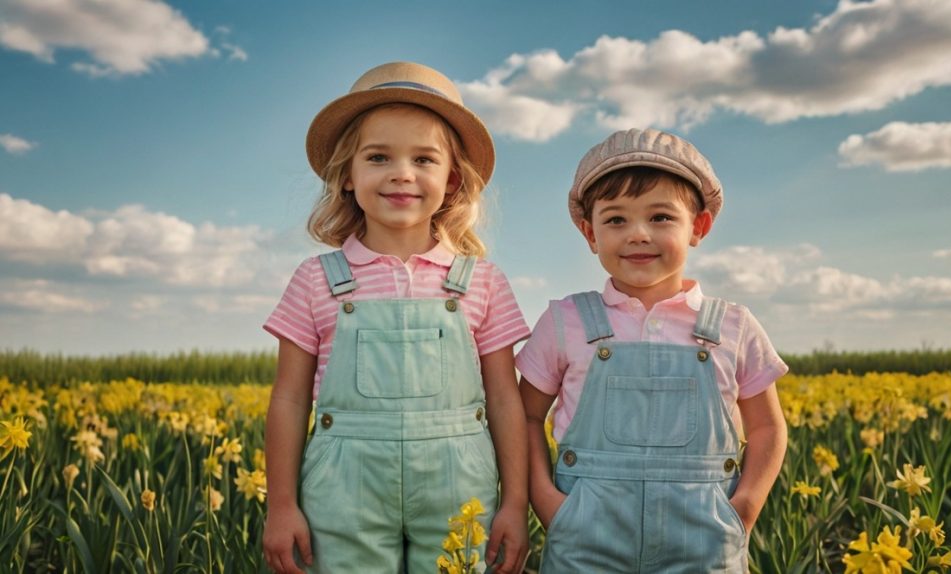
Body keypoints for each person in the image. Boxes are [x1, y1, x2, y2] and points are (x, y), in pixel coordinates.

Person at [262, 62, 530, 574]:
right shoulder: (316, 278)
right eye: (378, 157)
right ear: (347, 175)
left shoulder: (483, 281)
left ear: (452, 180)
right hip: (342, 490)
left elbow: (503, 398)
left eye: (424, 159)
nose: (401, 173)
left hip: (461, 486)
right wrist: (281, 505)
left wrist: (514, 504)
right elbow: (290, 397)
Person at [516, 128, 789, 572]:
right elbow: (525, 415)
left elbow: (767, 429)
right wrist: (549, 506)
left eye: (661, 217)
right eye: (616, 220)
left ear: (698, 226)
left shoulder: (734, 326)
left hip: (704, 543)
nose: (638, 234)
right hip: (584, 542)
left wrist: (743, 511)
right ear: (590, 233)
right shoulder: (565, 321)